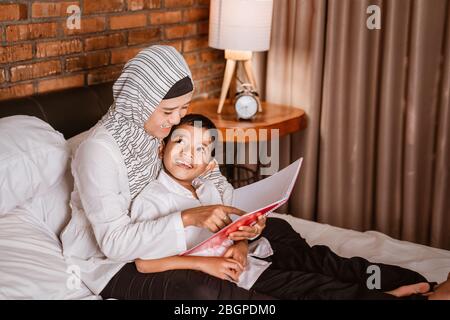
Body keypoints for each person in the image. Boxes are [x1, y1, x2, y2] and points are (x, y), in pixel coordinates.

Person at [128, 114, 450, 300]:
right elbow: (143, 262)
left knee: (330, 262)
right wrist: (207, 265)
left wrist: (243, 239)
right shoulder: (153, 199)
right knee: (319, 289)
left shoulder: (210, 184)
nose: (188, 154)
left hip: (257, 248)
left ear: (210, 160)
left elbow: (232, 220)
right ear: (162, 148)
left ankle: (423, 282)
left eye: (201, 148)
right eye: (180, 141)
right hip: (241, 273)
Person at [60, 45, 266, 300]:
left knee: (277, 234)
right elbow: (115, 243)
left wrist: (241, 224)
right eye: (168, 111)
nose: (176, 119)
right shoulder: (96, 153)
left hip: (165, 245)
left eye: (183, 108)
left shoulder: (157, 129)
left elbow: (208, 172)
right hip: (113, 263)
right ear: (140, 103)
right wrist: (188, 218)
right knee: (206, 291)